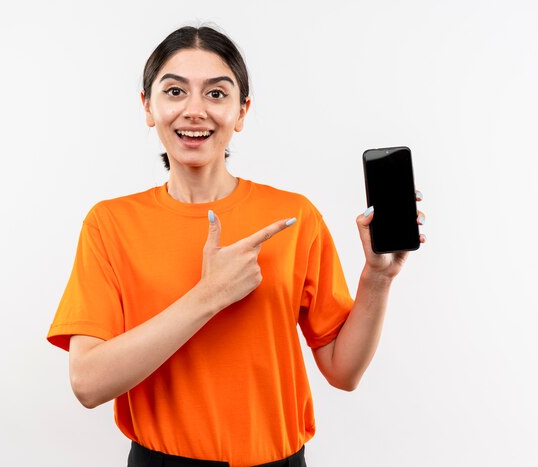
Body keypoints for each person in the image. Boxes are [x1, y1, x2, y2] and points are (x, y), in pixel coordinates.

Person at [47, 25, 425, 467]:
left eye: (216, 94)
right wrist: (207, 297)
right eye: (174, 91)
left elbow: (344, 372)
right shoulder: (110, 224)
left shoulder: (294, 217)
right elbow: (87, 383)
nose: (194, 111)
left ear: (242, 112)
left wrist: (377, 278)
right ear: (148, 106)